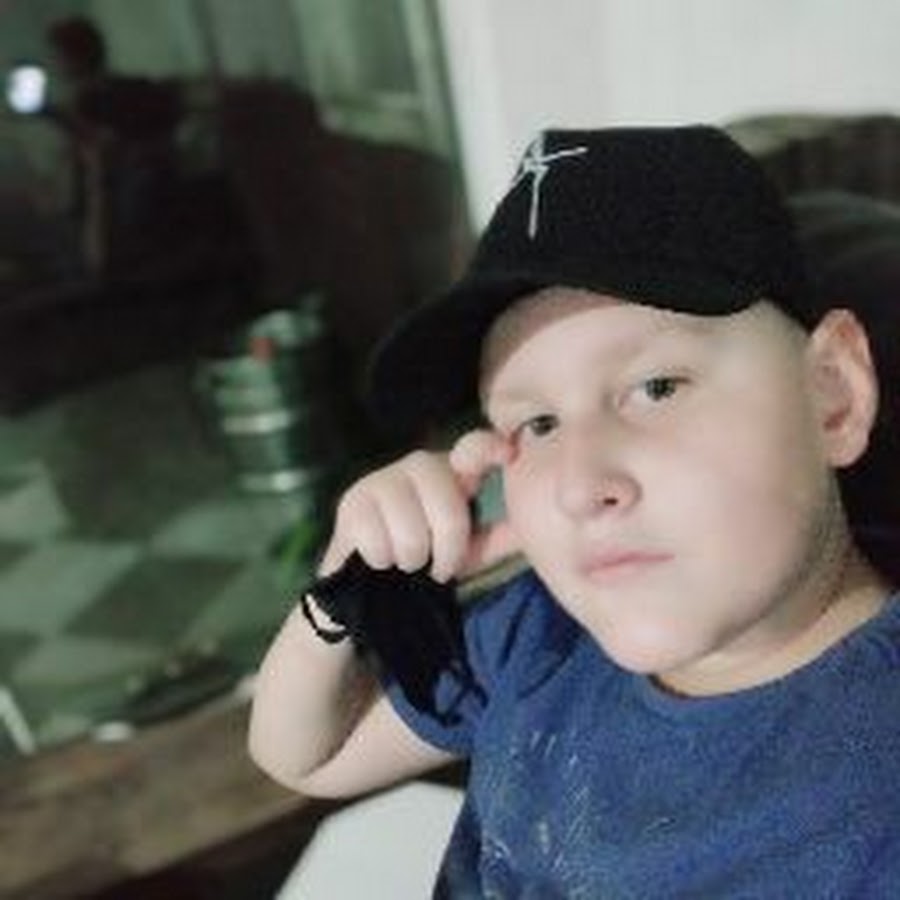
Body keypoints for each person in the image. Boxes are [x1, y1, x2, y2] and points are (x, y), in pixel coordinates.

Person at [249, 126, 900, 896]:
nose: (579, 484)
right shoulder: (541, 635)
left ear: (833, 393)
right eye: (538, 424)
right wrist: (348, 595)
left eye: (657, 388)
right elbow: (308, 757)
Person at [43, 15, 183, 275]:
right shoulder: (135, 89)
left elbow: (81, 193)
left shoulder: (90, 106)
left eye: (57, 57)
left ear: (71, 58)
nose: (55, 66)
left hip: (124, 225)